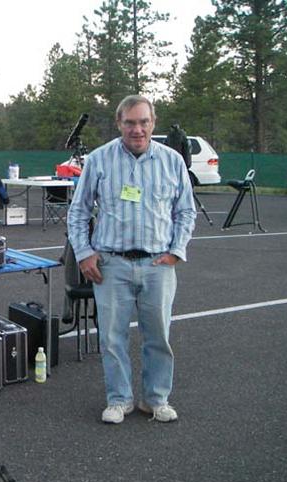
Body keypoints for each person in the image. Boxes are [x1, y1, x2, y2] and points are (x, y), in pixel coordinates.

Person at [67, 95, 196, 424]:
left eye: (143, 122)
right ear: (119, 123)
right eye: (130, 123)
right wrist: (84, 254)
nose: (137, 129)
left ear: (153, 123)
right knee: (111, 337)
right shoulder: (98, 160)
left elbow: (185, 212)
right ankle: (119, 399)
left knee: (159, 337)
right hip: (111, 265)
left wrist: (176, 251)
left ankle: (156, 399)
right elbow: (78, 212)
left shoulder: (172, 161)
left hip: (158, 266)